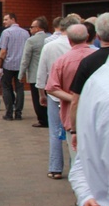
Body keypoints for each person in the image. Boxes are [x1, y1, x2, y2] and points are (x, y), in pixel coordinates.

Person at [68, 56, 109, 206]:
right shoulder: (100, 86)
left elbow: (82, 162)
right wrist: (93, 201)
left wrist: (92, 200)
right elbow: (84, 161)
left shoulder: (97, 82)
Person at [36, 15, 80, 179]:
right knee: (74, 131)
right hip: (77, 95)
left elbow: (42, 72)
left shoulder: (49, 46)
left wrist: (42, 93)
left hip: (55, 93)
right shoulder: (82, 47)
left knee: (54, 132)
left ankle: (55, 168)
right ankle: (75, 166)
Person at [45, 23, 94, 164]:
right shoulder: (99, 58)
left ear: (69, 40)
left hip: (73, 117)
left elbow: (51, 88)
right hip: (97, 114)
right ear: (88, 37)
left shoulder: (62, 61)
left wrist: (73, 98)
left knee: (76, 159)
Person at [69, 12, 109, 150]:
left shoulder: (87, 62)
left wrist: (74, 130)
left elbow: (75, 100)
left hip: (96, 122)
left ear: (97, 36)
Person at [18, 17, 51, 128]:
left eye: (31, 27)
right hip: (49, 74)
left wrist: (21, 74)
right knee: (50, 97)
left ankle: (42, 120)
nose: (30, 29)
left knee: (38, 99)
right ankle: (50, 118)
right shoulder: (51, 38)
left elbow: (25, 58)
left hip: (35, 74)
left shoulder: (31, 40)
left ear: (37, 28)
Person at [0, 13, 30, 121]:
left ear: (13, 19)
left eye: (6, 19)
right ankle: (19, 113)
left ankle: (9, 113)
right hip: (21, 65)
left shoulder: (6, 32)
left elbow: (3, 51)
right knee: (20, 88)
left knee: (6, 87)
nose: (4, 22)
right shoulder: (26, 33)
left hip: (8, 64)